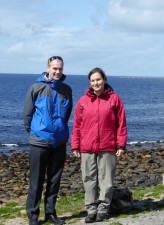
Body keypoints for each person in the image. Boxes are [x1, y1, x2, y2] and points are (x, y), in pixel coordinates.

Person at [71, 67, 127, 223]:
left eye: (98, 79)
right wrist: (75, 146)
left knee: (106, 180)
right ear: (90, 83)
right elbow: (76, 125)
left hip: (108, 146)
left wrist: (121, 145)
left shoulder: (114, 99)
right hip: (86, 147)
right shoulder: (83, 101)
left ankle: (103, 209)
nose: (96, 82)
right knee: (89, 180)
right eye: (93, 80)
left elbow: (121, 124)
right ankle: (91, 209)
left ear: (104, 80)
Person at [23, 56, 73, 225]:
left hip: (59, 142)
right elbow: (27, 116)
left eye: (60, 68)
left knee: (54, 180)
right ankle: (33, 216)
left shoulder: (66, 90)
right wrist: (37, 132)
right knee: (36, 181)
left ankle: (50, 213)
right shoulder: (36, 88)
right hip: (39, 142)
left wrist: (59, 130)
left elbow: (67, 115)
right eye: (54, 68)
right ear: (48, 68)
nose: (57, 71)